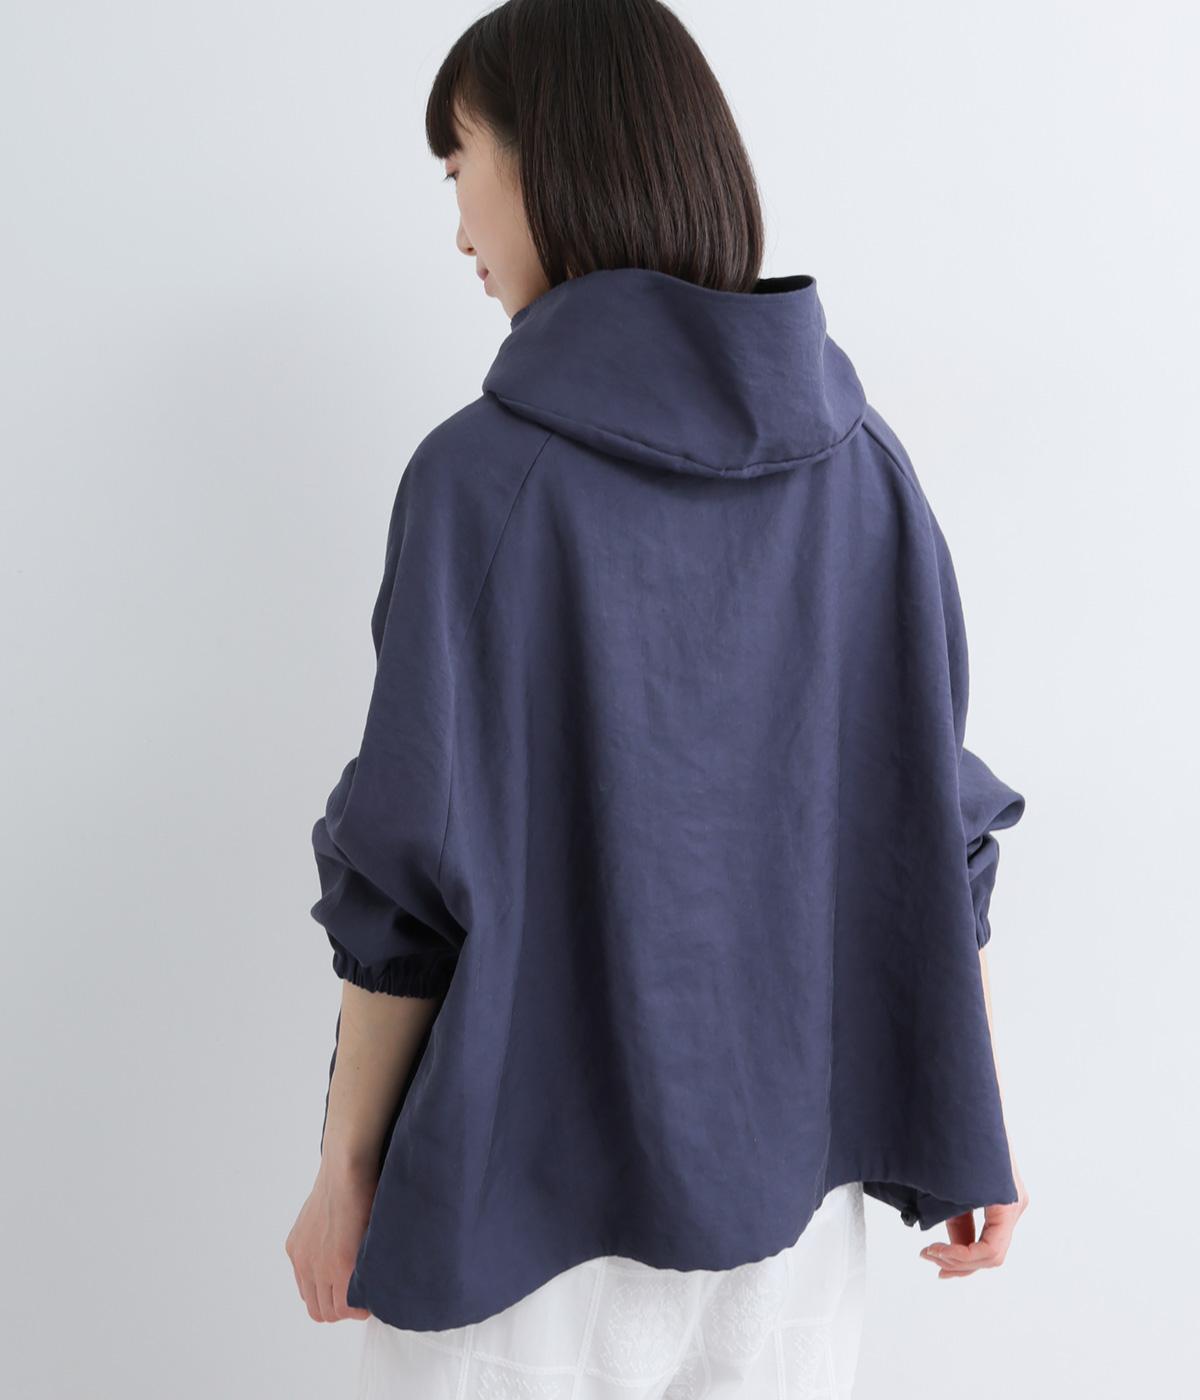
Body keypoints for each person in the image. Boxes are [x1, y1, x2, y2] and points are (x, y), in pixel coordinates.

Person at [284, 1, 1030, 1394]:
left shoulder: (481, 483)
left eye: (459, 166)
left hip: (520, 1216)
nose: (458, 231)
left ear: (549, 159)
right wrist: (973, 1127)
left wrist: (346, 1165)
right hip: (793, 1224)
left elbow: (405, 880)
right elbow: (938, 831)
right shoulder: (867, 467)